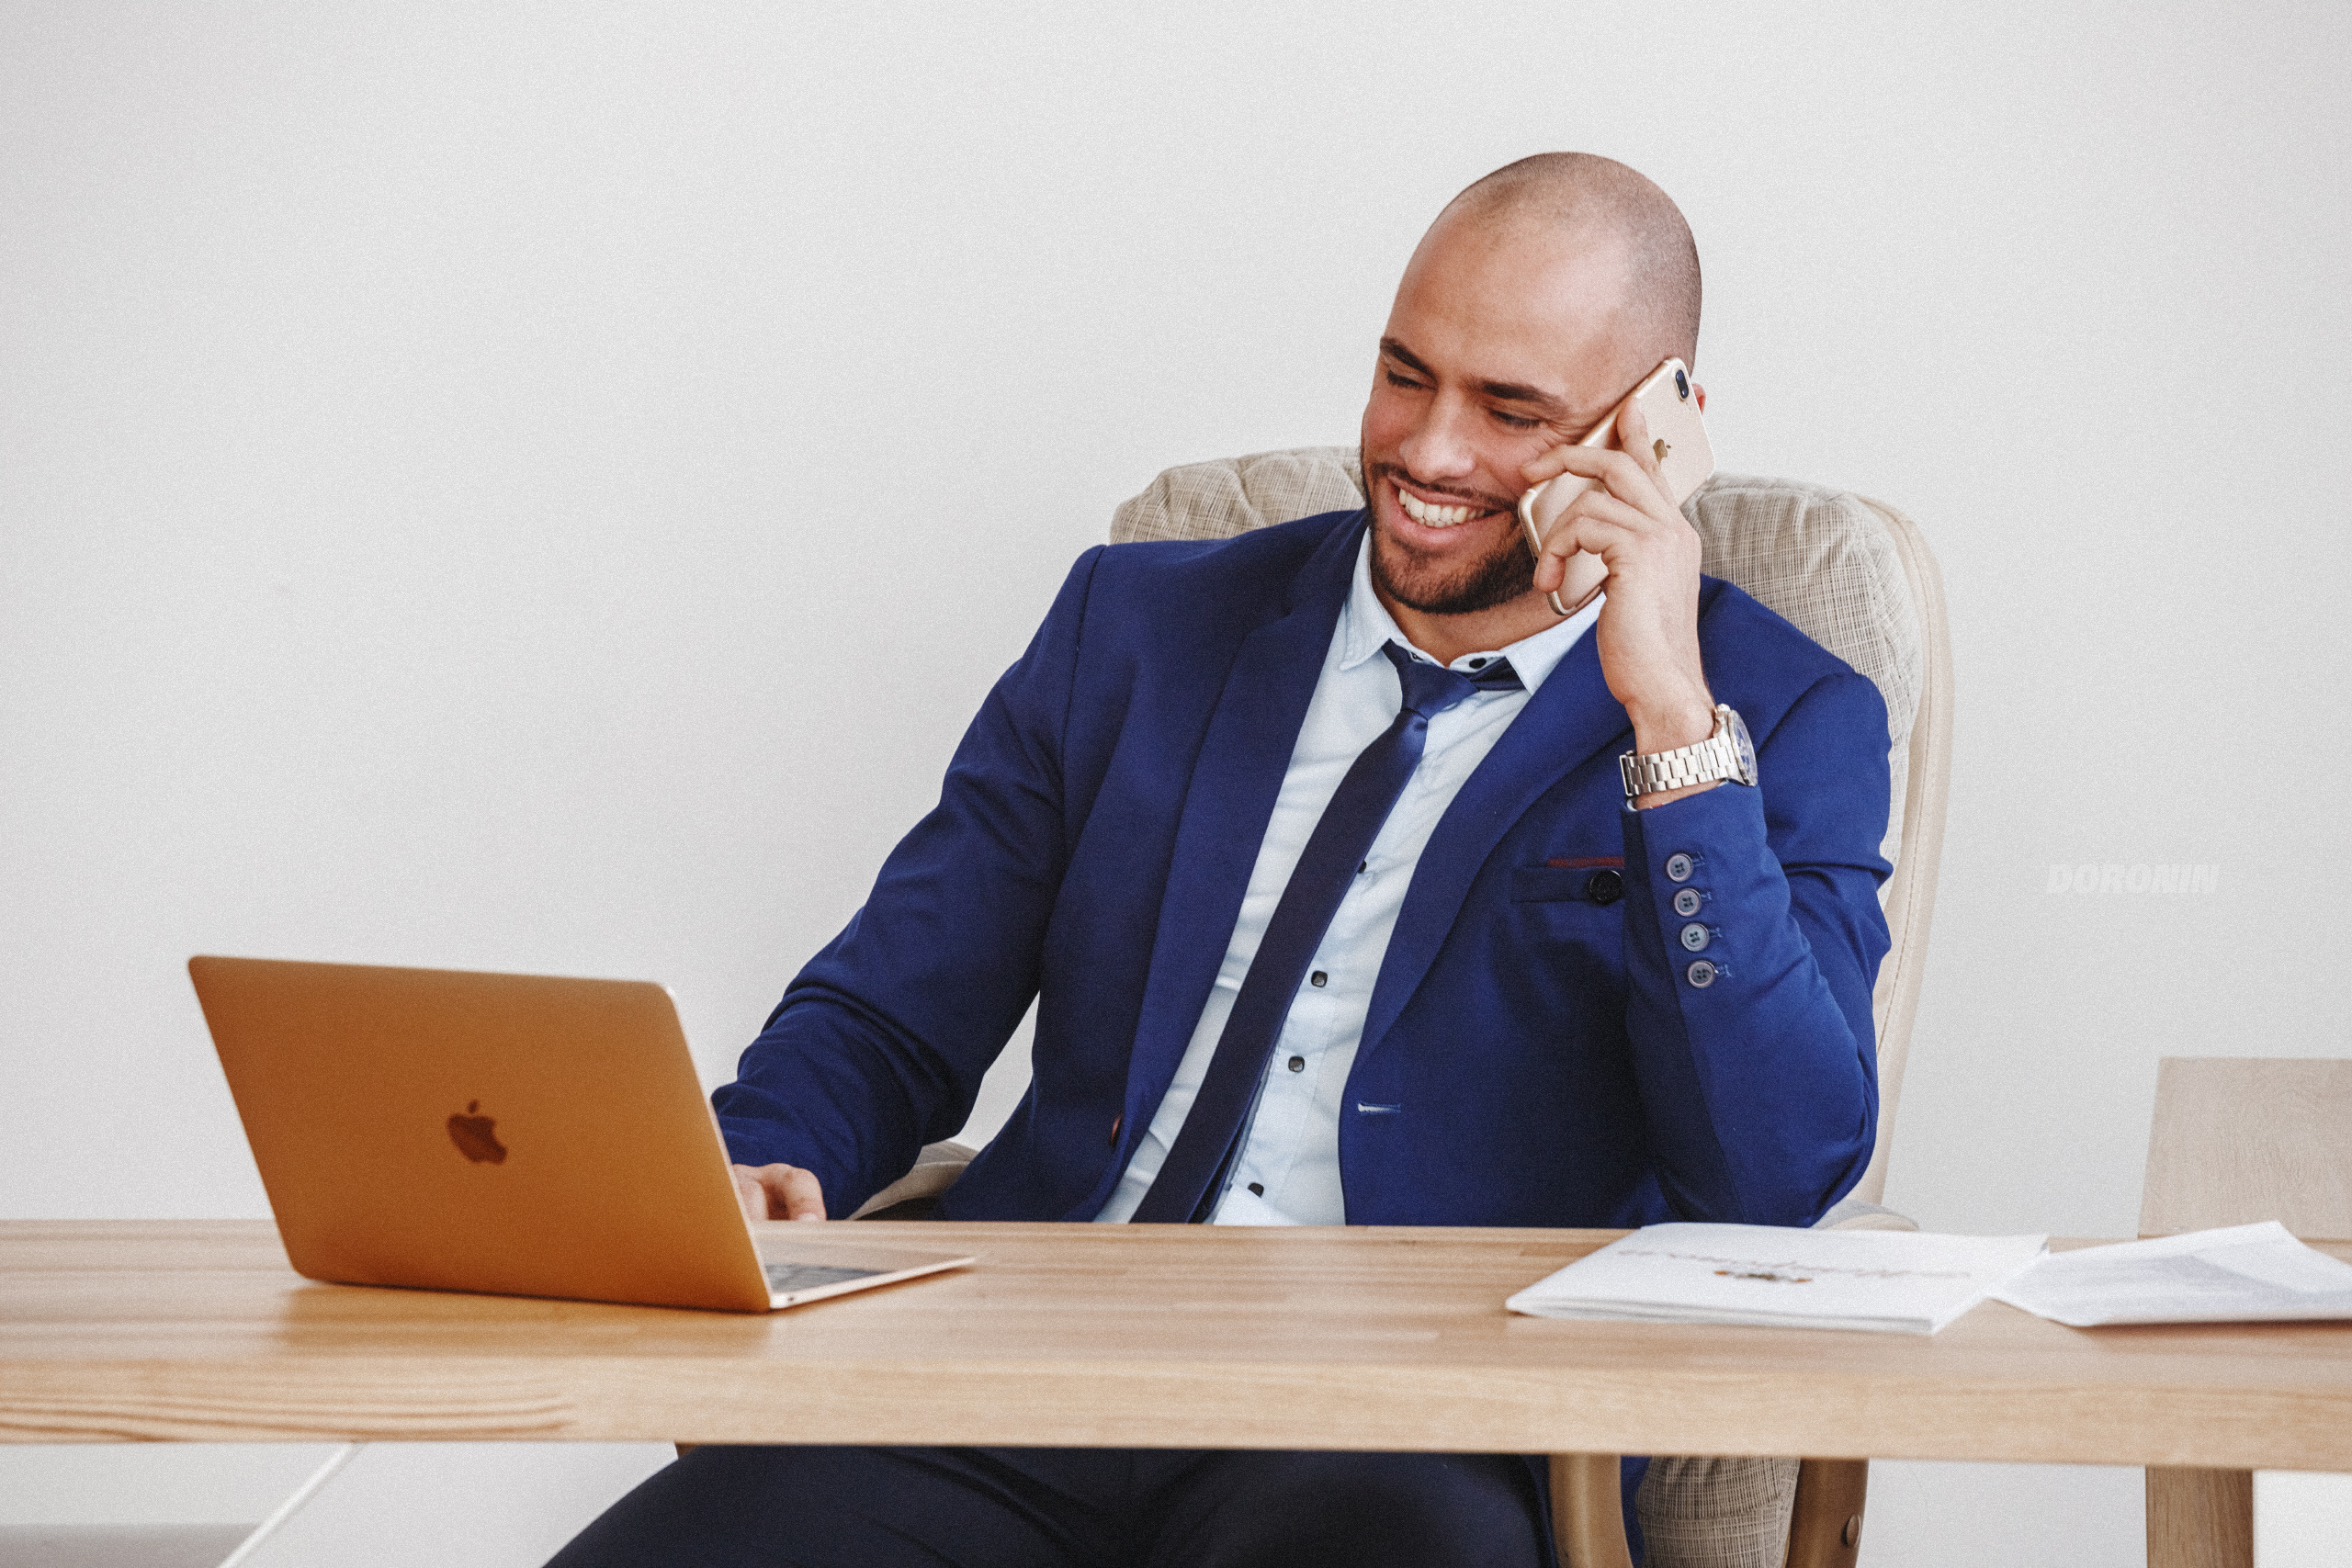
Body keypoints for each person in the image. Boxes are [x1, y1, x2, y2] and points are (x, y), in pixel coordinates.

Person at [552, 152, 1891, 1568]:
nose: (1430, 454)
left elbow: (1774, 1171)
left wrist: (1667, 720)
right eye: (1403, 374)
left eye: (1513, 413)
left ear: (1655, 425)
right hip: (1011, 1383)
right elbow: (892, 1009)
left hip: (1408, 1434)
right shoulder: (1138, 628)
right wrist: (763, 1158)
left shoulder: (1768, 714)